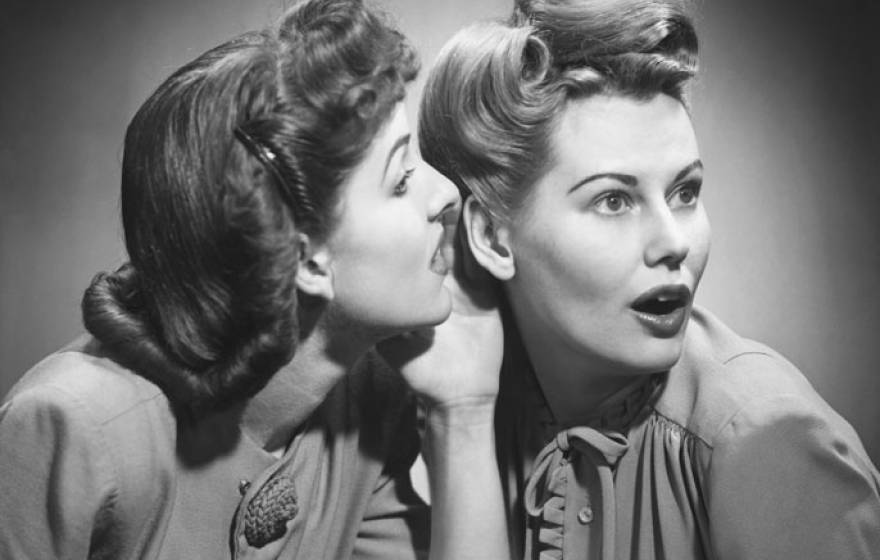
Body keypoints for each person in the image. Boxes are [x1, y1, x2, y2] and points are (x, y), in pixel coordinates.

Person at [0, 0, 509, 558]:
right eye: (402, 177)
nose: (447, 196)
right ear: (306, 258)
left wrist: (465, 411)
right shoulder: (72, 426)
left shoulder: (367, 401)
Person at [418, 0, 880, 558]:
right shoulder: (467, 394)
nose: (674, 242)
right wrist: (462, 418)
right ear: (492, 238)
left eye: (685, 192)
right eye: (614, 200)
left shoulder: (767, 438)